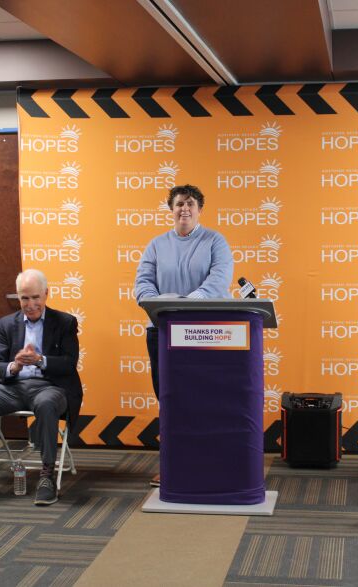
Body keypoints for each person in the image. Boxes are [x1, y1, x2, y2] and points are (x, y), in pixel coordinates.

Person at [134, 184, 234, 486]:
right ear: (171, 209)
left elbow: (218, 281)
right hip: (162, 332)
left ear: (199, 209)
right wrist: (163, 307)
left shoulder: (216, 241)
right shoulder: (155, 245)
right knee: (170, 400)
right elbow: (143, 285)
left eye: (190, 204)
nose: (184, 209)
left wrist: (189, 304)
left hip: (204, 332)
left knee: (204, 400)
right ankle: (174, 464)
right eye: (179, 204)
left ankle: (210, 462)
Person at [0, 269, 82, 506]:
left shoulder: (64, 322)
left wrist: (40, 360)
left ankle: (47, 475)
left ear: (46, 294)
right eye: (24, 298)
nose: (30, 304)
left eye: (35, 297)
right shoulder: (7, 324)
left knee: (47, 403)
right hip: (14, 387)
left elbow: (69, 364)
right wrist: (14, 365)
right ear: (18, 298)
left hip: (50, 387)